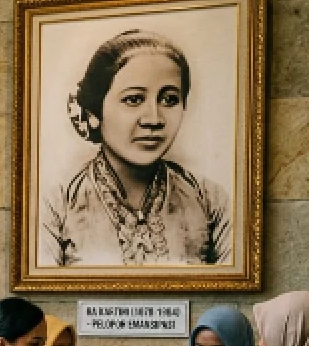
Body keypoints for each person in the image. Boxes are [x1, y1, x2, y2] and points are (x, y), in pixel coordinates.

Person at [42, 30, 230, 267]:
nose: (153, 118)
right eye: (133, 99)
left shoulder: (209, 199)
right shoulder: (57, 204)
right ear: (93, 113)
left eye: (169, 99)